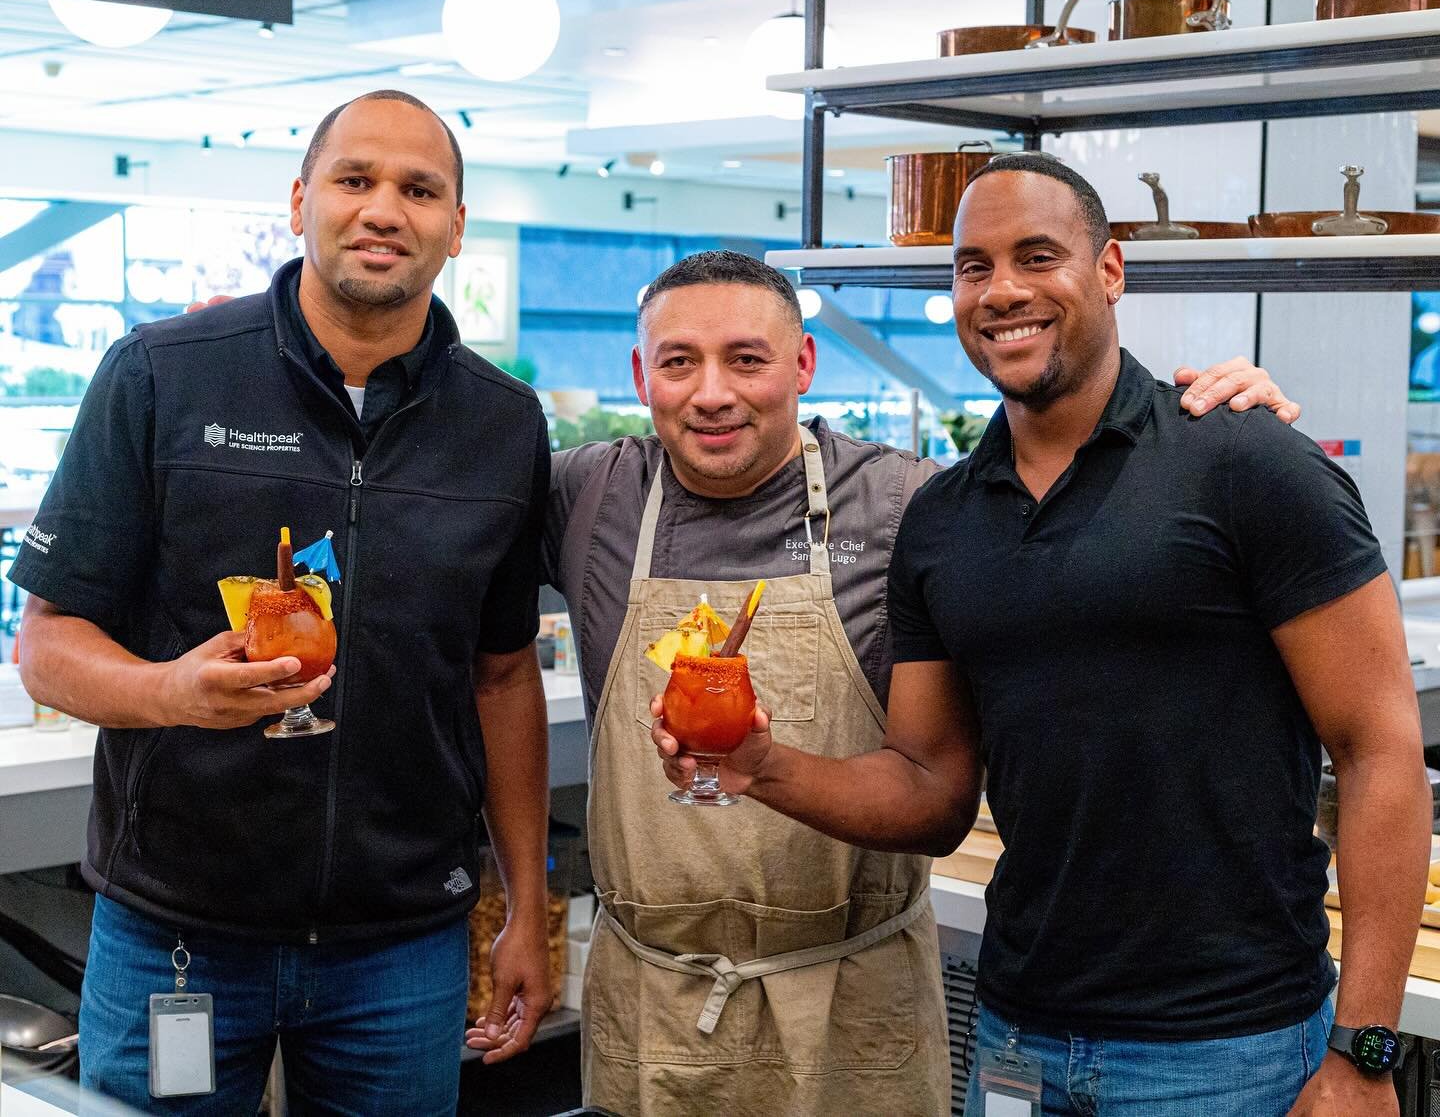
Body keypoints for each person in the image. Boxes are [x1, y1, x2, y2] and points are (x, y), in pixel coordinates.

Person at [652, 159, 1430, 1116]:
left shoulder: (1246, 461)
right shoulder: (941, 519)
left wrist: (1365, 1049)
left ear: (1109, 270)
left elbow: (1378, 748)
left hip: (1225, 1050)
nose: (1003, 290)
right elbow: (931, 788)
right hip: (1018, 1040)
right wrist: (764, 765)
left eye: (1037, 257)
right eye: (973, 267)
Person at [515, 244, 1300, 1115]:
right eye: (678, 362)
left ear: (803, 363)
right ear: (640, 374)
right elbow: (433, 522)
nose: (712, 393)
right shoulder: (587, 493)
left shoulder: (911, 505)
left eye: (747, 358)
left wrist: (1208, 429)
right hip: (651, 1009)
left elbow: (1085, 505)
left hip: (851, 1009)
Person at [10, 90, 552, 1114]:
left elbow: (502, 673)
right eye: (356, 180)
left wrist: (527, 900)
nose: (385, 209)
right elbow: (46, 644)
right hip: (178, 933)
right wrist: (172, 690)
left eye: (419, 189)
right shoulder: (161, 376)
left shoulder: (503, 425)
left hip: (401, 947)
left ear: (457, 228)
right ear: (301, 199)